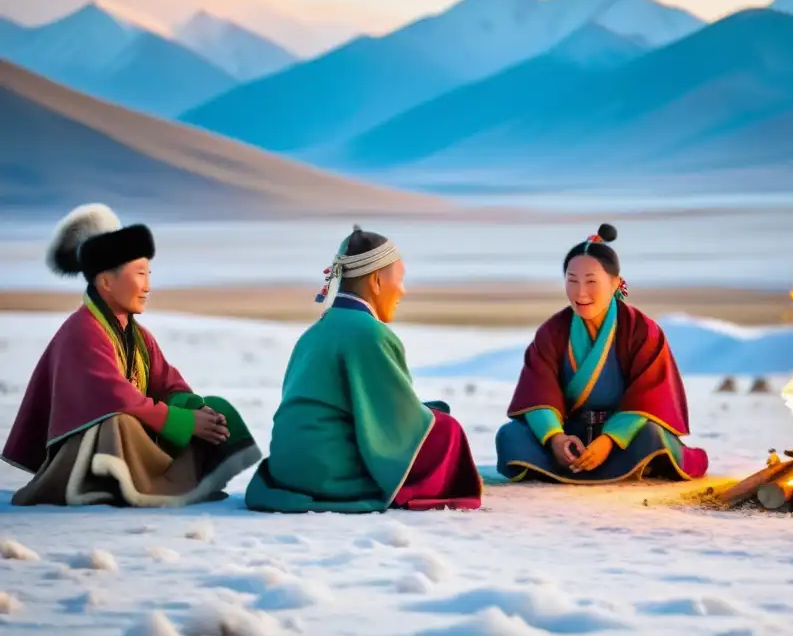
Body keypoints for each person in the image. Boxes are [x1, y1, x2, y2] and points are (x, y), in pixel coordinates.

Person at [2, 204, 260, 507]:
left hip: (140, 425)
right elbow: (116, 397)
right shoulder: (83, 330)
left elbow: (167, 383)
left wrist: (196, 411)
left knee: (215, 409)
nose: (148, 286)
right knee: (119, 423)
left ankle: (175, 480)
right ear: (106, 282)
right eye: (139, 274)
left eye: (149, 274)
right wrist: (183, 422)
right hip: (85, 451)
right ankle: (132, 485)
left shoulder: (137, 335)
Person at [245, 225, 483, 513]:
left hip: (288, 471)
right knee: (446, 430)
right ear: (376, 281)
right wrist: (432, 418)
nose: (403, 291)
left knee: (432, 416)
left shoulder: (313, 332)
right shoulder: (371, 334)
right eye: (400, 279)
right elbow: (397, 423)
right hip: (329, 475)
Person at [495, 224, 709, 484]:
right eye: (572, 281)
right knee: (510, 435)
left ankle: (624, 461)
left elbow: (648, 395)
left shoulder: (641, 330)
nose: (581, 293)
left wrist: (608, 441)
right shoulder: (552, 332)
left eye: (591, 282)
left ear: (615, 283)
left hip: (623, 436)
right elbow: (538, 390)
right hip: (570, 431)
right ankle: (573, 459)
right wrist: (555, 438)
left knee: (652, 435)